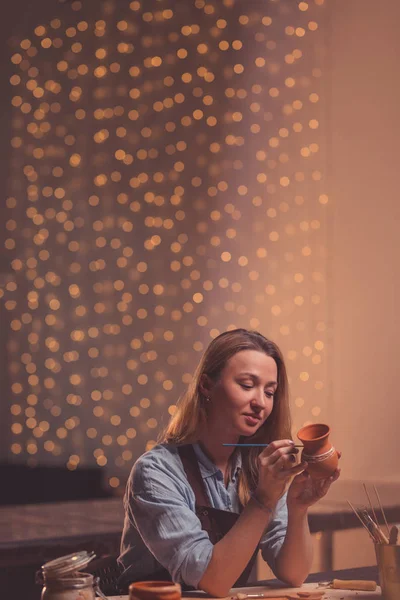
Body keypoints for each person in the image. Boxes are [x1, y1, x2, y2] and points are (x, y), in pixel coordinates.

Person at [118, 329, 340, 597]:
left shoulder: (258, 469)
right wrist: (262, 501)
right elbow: (213, 580)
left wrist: (298, 507)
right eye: (247, 385)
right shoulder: (156, 472)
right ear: (206, 385)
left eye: (269, 392)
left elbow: (293, 573)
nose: (260, 403)